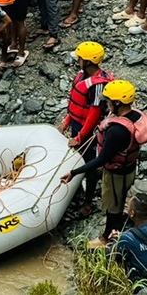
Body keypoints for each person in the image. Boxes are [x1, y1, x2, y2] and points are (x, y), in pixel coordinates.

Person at [61, 80, 147, 249]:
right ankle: (113, 220)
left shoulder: (117, 132)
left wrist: (74, 172)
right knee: (117, 196)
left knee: (112, 205)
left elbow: (102, 160)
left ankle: (107, 237)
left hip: (117, 173)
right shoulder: (135, 115)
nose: (106, 104)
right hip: (128, 168)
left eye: (108, 101)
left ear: (117, 103)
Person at [59, 41, 114, 217]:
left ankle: (88, 201)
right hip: (77, 124)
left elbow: (94, 112)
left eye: (81, 59)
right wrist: (66, 121)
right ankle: (77, 189)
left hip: (88, 130)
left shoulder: (98, 85)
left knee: (89, 164)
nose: (78, 61)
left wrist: (81, 136)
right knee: (77, 158)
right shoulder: (83, 75)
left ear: (88, 62)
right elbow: (76, 103)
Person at [107, 192, 147, 285]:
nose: (126, 207)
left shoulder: (127, 238)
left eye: (127, 206)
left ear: (132, 213)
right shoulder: (128, 237)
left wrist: (117, 240)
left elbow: (110, 256)